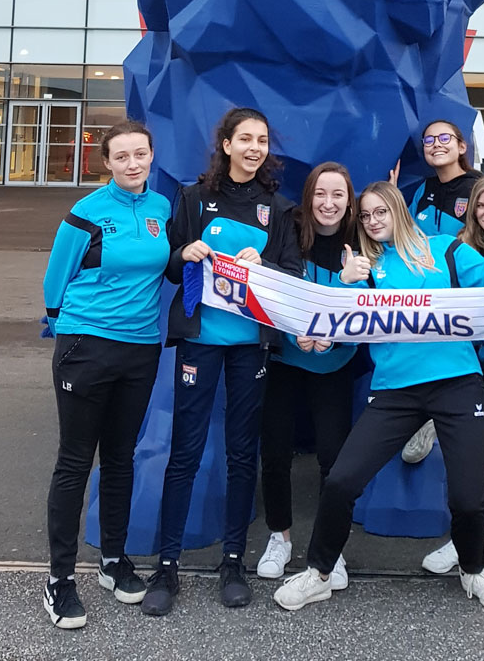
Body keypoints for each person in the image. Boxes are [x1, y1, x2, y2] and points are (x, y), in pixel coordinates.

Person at [273, 181, 484, 613]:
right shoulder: (366, 266)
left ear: (399, 211)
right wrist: (347, 284)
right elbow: (343, 324)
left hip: (457, 383)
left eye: (380, 212)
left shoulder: (446, 249)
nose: (373, 222)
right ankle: (319, 573)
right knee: (342, 480)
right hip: (394, 390)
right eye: (366, 216)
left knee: (465, 497)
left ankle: (472, 570)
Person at [142, 107, 300, 616]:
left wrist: (267, 267)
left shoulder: (277, 210)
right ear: (226, 144)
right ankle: (166, 567)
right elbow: (167, 265)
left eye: (262, 140)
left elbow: (292, 275)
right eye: (245, 139)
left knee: (240, 453)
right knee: (185, 453)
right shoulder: (192, 198)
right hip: (200, 342)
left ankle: (232, 561)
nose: (255, 147)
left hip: (250, 346)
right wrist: (182, 254)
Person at [42, 120, 170, 630]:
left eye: (141, 154)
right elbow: (56, 280)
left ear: (151, 156)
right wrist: (72, 332)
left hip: (140, 350)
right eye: (122, 157)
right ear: (108, 163)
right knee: (75, 462)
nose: (133, 163)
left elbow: (173, 264)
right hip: (87, 346)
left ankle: (113, 562)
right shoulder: (86, 213)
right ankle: (58, 581)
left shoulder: (161, 209)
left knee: (121, 458)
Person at [257, 162, 358, 586]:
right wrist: (294, 329)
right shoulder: (290, 233)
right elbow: (274, 290)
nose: (328, 203)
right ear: (308, 197)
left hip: (334, 365)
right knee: (275, 452)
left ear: (349, 201)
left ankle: (330, 549)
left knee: (334, 460)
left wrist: (347, 289)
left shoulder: (361, 242)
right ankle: (279, 537)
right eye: (321, 193)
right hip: (286, 360)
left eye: (338, 195)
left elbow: (372, 308)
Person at [421, 171, 484, 576]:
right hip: (477, 351)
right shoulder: (464, 246)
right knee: (474, 441)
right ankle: (464, 537)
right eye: (481, 206)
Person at [400, 119, 482, 467]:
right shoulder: (423, 190)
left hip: (469, 303)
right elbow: (412, 240)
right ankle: (427, 421)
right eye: (429, 139)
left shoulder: (479, 187)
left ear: (462, 147)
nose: (435, 144)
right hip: (428, 305)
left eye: (445, 137)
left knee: (479, 392)